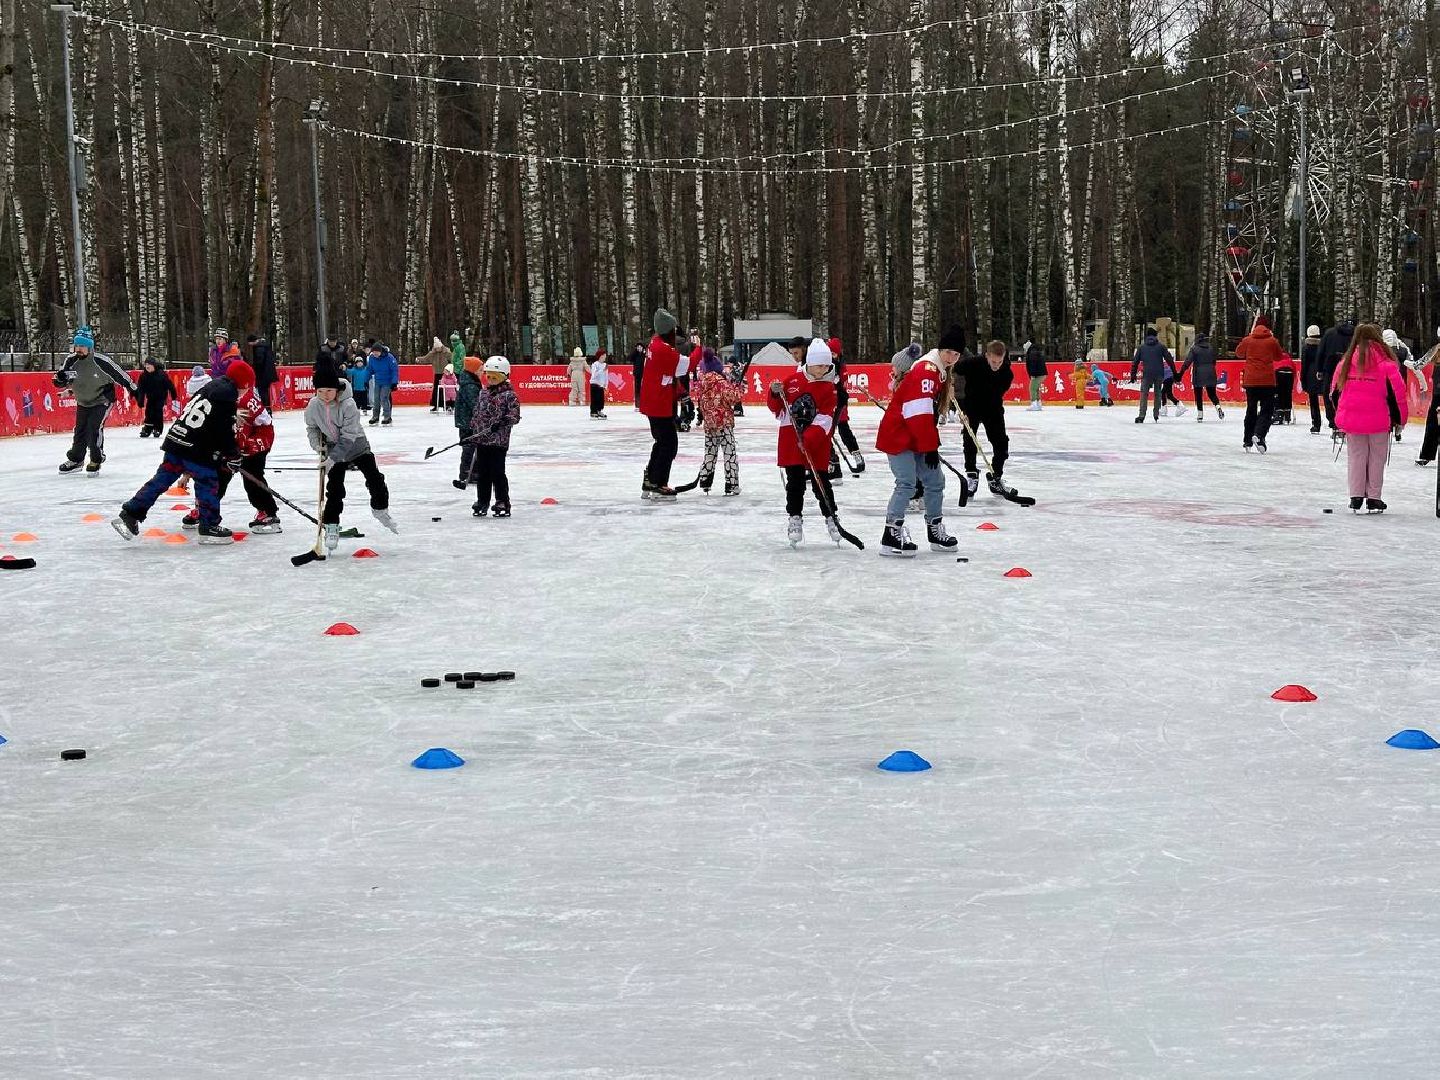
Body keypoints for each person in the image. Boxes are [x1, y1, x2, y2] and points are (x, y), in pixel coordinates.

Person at [112, 358, 245, 545]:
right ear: (242, 384)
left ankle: (130, 513)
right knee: (208, 482)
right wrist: (232, 455)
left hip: (176, 442)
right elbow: (223, 430)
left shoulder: (210, 387)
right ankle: (209, 526)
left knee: (161, 480)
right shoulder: (227, 396)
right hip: (195, 449)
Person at [875, 326, 962, 557]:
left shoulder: (939, 370)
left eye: (956, 354)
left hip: (916, 436)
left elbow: (925, 416)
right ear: (940, 350)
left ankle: (935, 531)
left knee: (935, 481)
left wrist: (928, 444)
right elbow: (919, 412)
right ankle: (891, 534)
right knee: (907, 483)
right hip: (899, 435)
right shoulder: (927, 370)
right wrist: (930, 446)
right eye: (949, 353)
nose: (952, 358)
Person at [305, 363, 396, 552]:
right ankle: (331, 526)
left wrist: (332, 459)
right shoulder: (314, 405)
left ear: (336, 389)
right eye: (320, 391)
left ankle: (380, 509)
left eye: (328, 391)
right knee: (335, 489)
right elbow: (312, 428)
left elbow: (348, 436)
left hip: (357, 446)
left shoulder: (348, 404)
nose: (324, 395)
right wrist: (318, 448)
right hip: (332, 448)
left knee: (375, 479)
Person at [182, 361, 280, 534]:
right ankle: (205, 510)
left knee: (253, 479)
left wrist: (251, 445)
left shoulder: (248, 401)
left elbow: (266, 427)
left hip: (253, 448)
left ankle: (267, 512)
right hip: (227, 448)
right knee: (214, 479)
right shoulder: (211, 402)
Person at [768, 339, 842, 547]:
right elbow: (778, 409)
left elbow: (826, 418)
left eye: (827, 365)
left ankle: (831, 517)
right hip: (792, 443)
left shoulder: (830, 387)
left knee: (822, 483)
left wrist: (808, 439)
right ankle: (795, 517)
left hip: (816, 445)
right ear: (809, 363)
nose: (824, 369)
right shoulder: (792, 380)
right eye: (820, 365)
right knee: (795, 483)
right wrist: (774, 393)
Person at [1331, 323, 1407, 512]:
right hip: (1379, 420)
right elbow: (1398, 396)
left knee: (1356, 457)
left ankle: (1356, 496)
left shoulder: (1346, 363)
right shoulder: (1388, 365)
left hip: (1352, 419)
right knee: (1376, 458)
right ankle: (1374, 497)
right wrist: (1400, 420)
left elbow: (1334, 393)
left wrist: (1340, 413)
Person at [53, 326, 138, 475]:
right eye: (77, 345)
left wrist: (134, 390)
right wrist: (60, 380)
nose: (79, 349)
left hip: (102, 399)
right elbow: (61, 379)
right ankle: (76, 460)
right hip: (83, 400)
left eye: (82, 346)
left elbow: (120, 375)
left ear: (90, 347)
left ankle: (96, 459)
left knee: (94, 428)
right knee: (80, 430)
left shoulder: (100, 361)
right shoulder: (71, 360)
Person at [956, 337, 1018, 498]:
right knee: (969, 441)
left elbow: (996, 394)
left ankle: (995, 476)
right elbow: (953, 368)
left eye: (1000, 361)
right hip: (972, 408)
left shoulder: (1006, 373)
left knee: (1001, 443)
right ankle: (971, 474)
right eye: (993, 361)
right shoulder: (973, 363)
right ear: (987, 356)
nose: (996, 365)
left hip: (993, 410)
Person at [637, 308, 685, 501]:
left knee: (662, 443)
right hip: (658, 404)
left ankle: (651, 479)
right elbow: (683, 365)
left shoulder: (654, 343)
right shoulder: (662, 348)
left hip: (655, 402)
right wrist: (699, 350)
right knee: (668, 444)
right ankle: (659, 483)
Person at [466, 356, 521, 518]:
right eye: (488, 376)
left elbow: (514, 416)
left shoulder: (509, 395)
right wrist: (472, 430)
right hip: (482, 440)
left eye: (494, 377)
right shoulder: (483, 393)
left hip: (498, 441)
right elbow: (478, 413)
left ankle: (502, 501)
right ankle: (482, 501)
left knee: (497, 472)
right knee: (482, 473)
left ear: (504, 376)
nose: (490, 380)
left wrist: (502, 422)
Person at [692, 348, 743, 495]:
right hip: (724, 423)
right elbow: (733, 398)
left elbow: (701, 403)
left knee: (710, 453)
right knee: (729, 454)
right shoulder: (721, 382)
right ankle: (732, 484)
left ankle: (705, 481)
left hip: (710, 424)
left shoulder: (702, 382)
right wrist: (739, 389)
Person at [1236, 313, 1289, 453]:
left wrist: (1246, 342)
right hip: (1267, 381)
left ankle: (1247, 440)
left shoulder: (1248, 340)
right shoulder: (1272, 341)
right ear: (1268, 327)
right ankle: (1259, 435)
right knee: (1267, 410)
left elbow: (1239, 353)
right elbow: (1279, 357)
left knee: (1251, 409)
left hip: (1251, 381)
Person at [1315, 318, 1355, 434]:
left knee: (1330, 394)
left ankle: (1333, 420)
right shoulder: (1356, 335)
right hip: (1349, 368)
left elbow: (1321, 351)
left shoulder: (1329, 333)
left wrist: (1319, 369)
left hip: (1330, 368)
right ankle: (1346, 419)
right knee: (1346, 394)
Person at [1129, 327, 1171, 423]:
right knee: (1158, 393)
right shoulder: (1161, 346)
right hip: (1159, 373)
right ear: (1155, 335)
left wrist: (1133, 375)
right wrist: (1175, 372)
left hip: (1147, 373)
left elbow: (1135, 362)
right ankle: (1156, 414)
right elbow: (1169, 359)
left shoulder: (1141, 347)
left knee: (1144, 394)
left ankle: (1141, 415)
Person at [453, 356, 483, 489]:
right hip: (468, 422)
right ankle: (466, 472)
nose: (482, 372)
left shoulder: (470, 382)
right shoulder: (470, 385)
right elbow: (475, 405)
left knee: (474, 446)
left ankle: (473, 471)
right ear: (474, 370)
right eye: (480, 369)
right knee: (469, 447)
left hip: (468, 421)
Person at [1179, 332, 1223, 422]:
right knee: (1212, 394)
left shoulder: (1194, 349)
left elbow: (1188, 361)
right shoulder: (1210, 348)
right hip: (1211, 372)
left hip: (1198, 373)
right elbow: (1214, 361)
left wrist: (1181, 371)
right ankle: (1218, 407)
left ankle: (1200, 414)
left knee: (1198, 394)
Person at [134, 357, 177, 437]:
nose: (147, 366)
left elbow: (169, 385)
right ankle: (148, 429)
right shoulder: (143, 376)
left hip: (161, 397)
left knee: (158, 411)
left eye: (149, 365)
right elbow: (141, 389)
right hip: (150, 397)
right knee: (149, 412)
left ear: (154, 365)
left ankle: (157, 429)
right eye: (146, 365)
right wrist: (140, 400)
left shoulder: (161, 374)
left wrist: (173, 394)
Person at [365, 342, 399, 426]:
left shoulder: (389, 357)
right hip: (378, 381)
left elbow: (394, 370)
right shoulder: (372, 358)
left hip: (387, 382)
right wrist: (366, 380)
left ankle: (387, 417)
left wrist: (394, 382)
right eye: (373, 352)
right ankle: (375, 417)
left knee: (384, 398)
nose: (375, 354)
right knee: (376, 400)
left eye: (377, 352)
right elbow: (369, 370)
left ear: (381, 351)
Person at [1300, 324, 1324, 433]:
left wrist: (1302, 378)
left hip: (1310, 375)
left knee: (1313, 401)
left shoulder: (1307, 347)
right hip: (1323, 373)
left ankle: (1316, 423)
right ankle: (1335, 422)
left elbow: (1304, 364)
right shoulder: (1324, 345)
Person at [247, 334, 279, 409]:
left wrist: (254, 369)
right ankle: (267, 407)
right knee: (265, 391)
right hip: (267, 373)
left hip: (263, 374)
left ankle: (265, 407)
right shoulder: (264, 346)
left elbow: (259, 362)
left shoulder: (259, 348)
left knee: (262, 391)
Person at [420, 336, 449, 412]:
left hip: (445, 374)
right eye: (436, 348)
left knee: (445, 390)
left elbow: (452, 358)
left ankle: (446, 405)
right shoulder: (432, 353)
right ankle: (436, 405)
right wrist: (418, 359)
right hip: (437, 374)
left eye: (438, 348)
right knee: (436, 390)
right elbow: (425, 359)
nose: (437, 349)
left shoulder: (446, 352)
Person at [1024, 340, 1046, 410]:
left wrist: (1033, 375)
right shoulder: (1035, 352)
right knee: (1036, 389)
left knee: (1032, 388)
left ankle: (1034, 404)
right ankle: (1038, 404)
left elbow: (1032, 365)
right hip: (1042, 373)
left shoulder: (1031, 354)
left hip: (1037, 374)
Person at [588, 348, 609, 419]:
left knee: (601, 399)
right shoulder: (595, 364)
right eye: (603, 356)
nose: (605, 357)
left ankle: (599, 410)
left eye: (605, 356)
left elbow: (606, 376)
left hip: (601, 385)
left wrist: (606, 385)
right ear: (600, 356)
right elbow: (593, 375)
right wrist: (601, 370)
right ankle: (593, 412)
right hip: (594, 384)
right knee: (595, 398)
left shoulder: (605, 365)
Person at [628, 341, 646, 409]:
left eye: (640, 347)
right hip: (637, 374)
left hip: (644, 374)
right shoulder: (635, 355)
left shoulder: (645, 354)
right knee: (637, 389)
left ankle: (643, 404)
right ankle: (637, 405)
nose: (639, 348)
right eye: (638, 347)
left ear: (642, 347)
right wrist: (635, 351)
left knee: (644, 389)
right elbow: (630, 358)